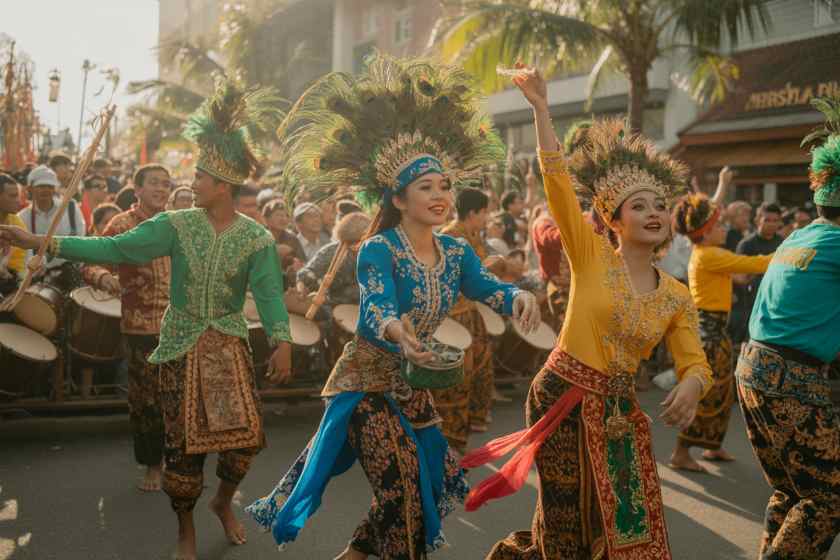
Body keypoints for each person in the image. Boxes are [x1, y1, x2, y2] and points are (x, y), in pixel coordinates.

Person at [246, 53, 540, 560]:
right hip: (365, 383)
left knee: (424, 482)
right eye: (426, 187)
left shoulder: (456, 252)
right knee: (402, 488)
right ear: (399, 199)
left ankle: (354, 555)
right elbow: (378, 305)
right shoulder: (378, 249)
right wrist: (400, 333)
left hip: (412, 383)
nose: (440, 195)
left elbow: (491, 289)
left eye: (445, 186)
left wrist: (521, 297)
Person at [0, 80, 292, 560]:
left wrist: (282, 340)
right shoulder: (176, 224)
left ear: (222, 185)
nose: (190, 184)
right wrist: (41, 243)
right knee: (183, 447)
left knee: (245, 443)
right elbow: (114, 248)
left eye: (200, 177)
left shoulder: (257, 239)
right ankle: (185, 531)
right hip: (178, 346)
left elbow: (269, 294)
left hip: (229, 348)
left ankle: (222, 502)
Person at [463, 66, 712, 560]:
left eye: (660, 205)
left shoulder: (676, 295)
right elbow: (556, 182)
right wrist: (541, 109)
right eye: (639, 206)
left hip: (619, 409)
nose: (653, 212)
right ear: (614, 220)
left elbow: (696, 362)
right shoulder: (590, 253)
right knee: (567, 520)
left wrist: (691, 386)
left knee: (622, 525)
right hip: (562, 394)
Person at [735, 110, 840, 560]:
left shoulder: (799, 237)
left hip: (754, 370)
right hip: (790, 378)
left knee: (792, 490)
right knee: (829, 500)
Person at [81, 164, 173, 493]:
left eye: (166, 184)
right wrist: (105, 277)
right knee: (146, 400)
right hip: (140, 328)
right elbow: (90, 262)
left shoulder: (177, 224)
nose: (161, 189)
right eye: (154, 183)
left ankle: (177, 463)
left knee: (179, 398)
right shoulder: (121, 225)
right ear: (138, 190)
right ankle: (152, 465)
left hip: (180, 325)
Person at [667, 193, 773, 473]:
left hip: (714, 333)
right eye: (718, 226)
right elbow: (758, 263)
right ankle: (680, 452)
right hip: (709, 337)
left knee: (722, 393)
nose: (724, 229)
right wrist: (791, 252)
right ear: (705, 232)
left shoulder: (707, 254)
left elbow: (737, 273)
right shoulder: (710, 255)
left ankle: (712, 445)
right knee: (705, 395)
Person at [429, 187, 498, 449]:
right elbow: (443, 275)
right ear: (473, 213)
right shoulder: (449, 236)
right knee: (457, 377)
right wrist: (483, 269)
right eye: (484, 213)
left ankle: (467, 426)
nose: (487, 218)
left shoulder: (474, 236)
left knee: (480, 368)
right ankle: (450, 439)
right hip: (452, 318)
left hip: (470, 312)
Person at [18, 165, 86, 290]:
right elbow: (22, 253)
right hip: (37, 280)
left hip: (70, 275)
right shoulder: (23, 217)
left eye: (50, 186)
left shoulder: (70, 208)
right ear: (30, 189)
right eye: (41, 186)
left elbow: (81, 240)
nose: (46, 190)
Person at [296, 211, 370, 307]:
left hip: (365, 308)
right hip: (334, 307)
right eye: (353, 242)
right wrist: (301, 290)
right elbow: (306, 274)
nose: (356, 246)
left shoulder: (374, 252)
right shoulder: (332, 251)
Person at [736, 202, 784, 326]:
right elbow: (740, 277)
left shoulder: (784, 243)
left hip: (777, 302)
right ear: (757, 220)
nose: (771, 224)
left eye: (775, 220)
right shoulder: (746, 245)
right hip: (751, 304)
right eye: (767, 220)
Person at [0, 173, 24, 294]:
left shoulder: (17, 223)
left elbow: (20, 264)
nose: (18, 201)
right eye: (12, 196)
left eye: (17, 196)